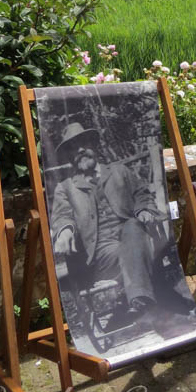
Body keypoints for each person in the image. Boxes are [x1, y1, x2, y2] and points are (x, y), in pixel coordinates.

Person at [50, 122, 166, 321]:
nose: (80, 150)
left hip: (132, 235)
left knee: (133, 226)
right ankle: (136, 292)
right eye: (73, 148)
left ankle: (136, 299)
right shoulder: (65, 188)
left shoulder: (119, 171)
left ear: (93, 145)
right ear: (69, 156)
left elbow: (142, 194)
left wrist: (144, 209)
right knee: (135, 247)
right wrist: (65, 231)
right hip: (100, 254)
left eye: (84, 143)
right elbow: (62, 216)